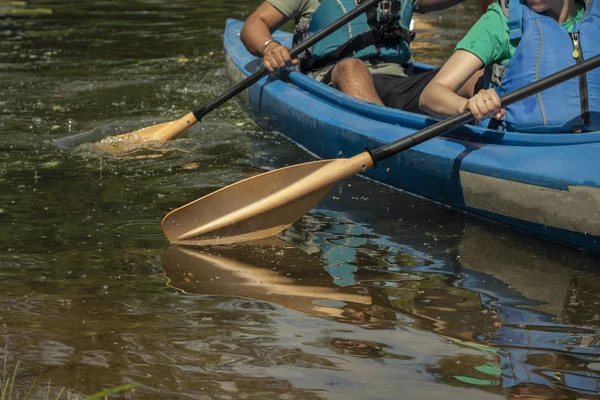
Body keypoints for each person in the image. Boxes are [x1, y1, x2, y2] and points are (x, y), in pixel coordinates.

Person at [241, 0, 469, 112]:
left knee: (472, 72)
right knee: (351, 67)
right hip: (332, 85)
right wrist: (269, 47)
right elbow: (254, 24)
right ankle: (383, 136)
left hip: (398, 83)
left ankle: (492, 130)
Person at [419, 0, 600, 132]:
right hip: (523, 150)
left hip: (591, 146)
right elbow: (431, 94)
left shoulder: (595, 17)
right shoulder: (502, 21)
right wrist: (466, 106)